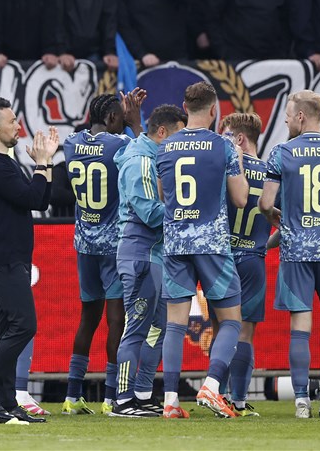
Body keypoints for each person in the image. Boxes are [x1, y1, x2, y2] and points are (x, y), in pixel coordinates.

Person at [156, 82, 247, 419]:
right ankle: (211, 385)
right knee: (231, 321)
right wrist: (236, 161)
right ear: (214, 110)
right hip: (211, 243)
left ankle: (170, 402)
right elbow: (239, 198)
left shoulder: (165, 146)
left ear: (185, 106)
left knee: (175, 324)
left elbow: (164, 196)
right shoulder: (223, 146)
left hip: (176, 241)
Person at [260, 91, 320, 419]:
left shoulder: (282, 152)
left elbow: (266, 204)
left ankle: (301, 399)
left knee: (300, 324)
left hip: (296, 249)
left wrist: (279, 222)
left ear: (301, 116)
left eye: (287, 114)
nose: (285, 120)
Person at [0, 97, 57, 424]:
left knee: (7, 326)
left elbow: (40, 199)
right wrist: (43, 162)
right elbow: (33, 197)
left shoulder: (4, 161)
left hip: (11, 255)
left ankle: (4, 400)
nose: (18, 124)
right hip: (2, 257)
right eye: (12, 121)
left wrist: (42, 165)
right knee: (25, 324)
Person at [61, 91, 145, 415]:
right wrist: (135, 122)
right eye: (120, 117)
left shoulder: (70, 143)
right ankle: (111, 398)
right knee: (116, 321)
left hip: (84, 244)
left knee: (87, 319)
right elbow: (147, 151)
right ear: (112, 119)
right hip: (113, 245)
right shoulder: (120, 145)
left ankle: (71, 396)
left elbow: (85, 136)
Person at [110, 103, 186, 418]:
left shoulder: (152, 157)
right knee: (137, 328)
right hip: (140, 253)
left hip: (154, 253)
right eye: (179, 136)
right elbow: (149, 211)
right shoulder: (140, 162)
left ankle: (141, 393)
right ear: (163, 132)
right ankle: (123, 400)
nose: (183, 144)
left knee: (160, 326)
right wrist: (185, 212)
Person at [218, 112, 268, 416]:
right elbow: (279, 216)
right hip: (253, 258)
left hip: (221, 257)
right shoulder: (270, 172)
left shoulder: (223, 169)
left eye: (225, 135)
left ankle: (218, 394)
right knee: (245, 333)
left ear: (239, 139)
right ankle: (238, 400)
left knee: (221, 328)